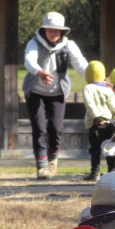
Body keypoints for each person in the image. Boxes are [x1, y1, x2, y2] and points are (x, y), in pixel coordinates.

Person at [23, 12, 88, 180]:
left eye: (57, 30)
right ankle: (42, 167)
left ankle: (52, 159)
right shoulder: (34, 43)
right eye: (50, 30)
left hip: (58, 92)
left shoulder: (69, 45)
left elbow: (81, 64)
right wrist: (39, 72)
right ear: (44, 30)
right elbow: (29, 60)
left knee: (56, 128)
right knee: (39, 128)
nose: (54, 33)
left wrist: (97, 79)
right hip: (35, 92)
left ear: (63, 32)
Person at [82, 60, 115, 181]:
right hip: (109, 123)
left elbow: (89, 104)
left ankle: (95, 173)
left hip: (95, 123)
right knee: (109, 148)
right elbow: (113, 107)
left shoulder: (88, 88)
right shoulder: (108, 90)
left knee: (95, 150)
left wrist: (96, 117)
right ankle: (112, 170)